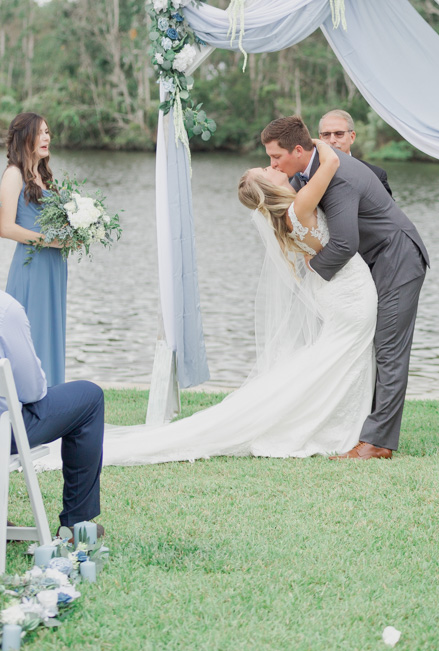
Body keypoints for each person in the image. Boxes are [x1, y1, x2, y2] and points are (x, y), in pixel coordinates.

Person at [40, 137, 378, 467]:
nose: (272, 165)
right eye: (267, 166)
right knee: (338, 359)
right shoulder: (301, 204)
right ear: (268, 187)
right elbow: (332, 160)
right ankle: (331, 428)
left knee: (336, 360)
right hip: (348, 295)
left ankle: (340, 424)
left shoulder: (288, 216)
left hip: (339, 293)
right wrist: (309, 139)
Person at [262, 115, 428, 460]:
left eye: (276, 156)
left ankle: (378, 443)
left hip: (397, 258)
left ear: (296, 150)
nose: (272, 163)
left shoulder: (337, 177)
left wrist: (312, 271)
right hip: (373, 262)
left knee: (389, 349)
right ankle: (361, 429)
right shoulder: (313, 169)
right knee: (372, 347)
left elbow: (343, 244)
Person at [0, 289, 104, 538]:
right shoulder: (5, 309)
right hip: (6, 432)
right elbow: (32, 391)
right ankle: (75, 523)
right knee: (90, 397)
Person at [0, 113, 67, 387]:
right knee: (33, 333)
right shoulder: (13, 174)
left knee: (52, 331)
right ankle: (29, 407)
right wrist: (47, 240)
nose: (47, 137)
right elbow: (5, 227)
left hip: (54, 268)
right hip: (32, 268)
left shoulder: (45, 177)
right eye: (40, 132)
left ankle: (53, 403)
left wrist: (74, 234)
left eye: (48, 132)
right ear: (25, 137)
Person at [319, 109, 392, 195]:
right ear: (320, 139)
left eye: (339, 134)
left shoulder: (376, 175)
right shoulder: (309, 173)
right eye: (326, 135)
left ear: (352, 137)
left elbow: (388, 208)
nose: (332, 140)